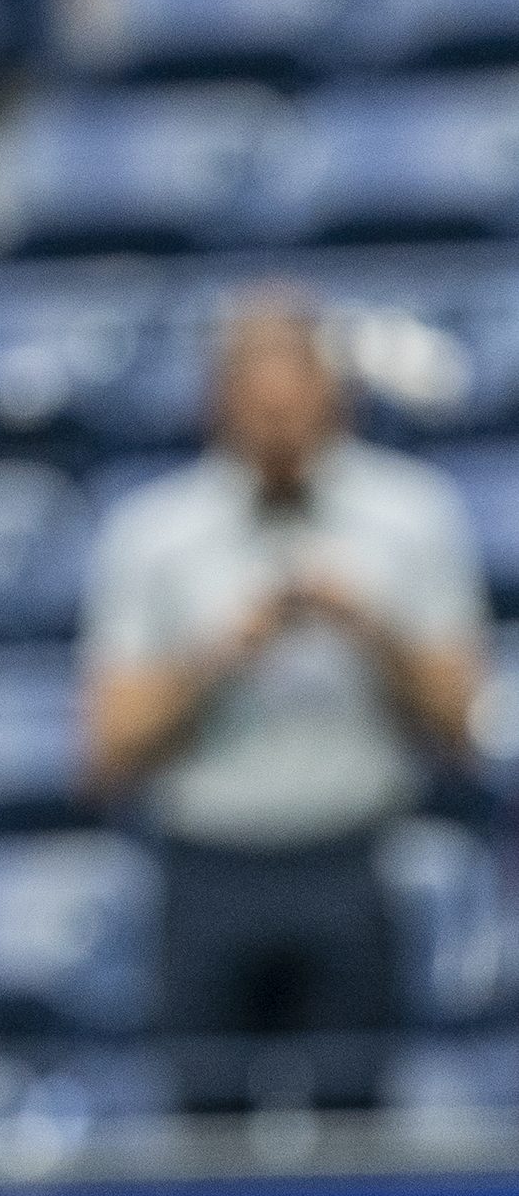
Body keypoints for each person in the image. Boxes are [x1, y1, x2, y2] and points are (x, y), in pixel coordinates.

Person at [84, 288, 488, 1114]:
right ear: (218, 408)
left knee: (359, 1132)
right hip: (207, 869)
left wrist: (370, 630)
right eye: (258, 410)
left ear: (337, 403)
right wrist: (223, 655)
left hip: (349, 859)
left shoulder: (414, 517)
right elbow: (106, 750)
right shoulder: (152, 534)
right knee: (200, 1137)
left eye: (295, 409)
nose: (279, 431)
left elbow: (462, 726)